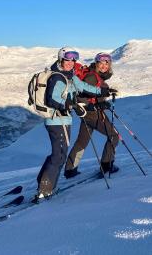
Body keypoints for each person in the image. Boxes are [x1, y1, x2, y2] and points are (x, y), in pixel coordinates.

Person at [35, 47, 113, 200]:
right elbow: (53, 99)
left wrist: (102, 92)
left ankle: (44, 182)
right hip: (57, 120)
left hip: (63, 119)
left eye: (73, 59)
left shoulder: (69, 75)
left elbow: (83, 87)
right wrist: (73, 105)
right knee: (59, 155)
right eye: (67, 59)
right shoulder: (58, 77)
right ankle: (45, 190)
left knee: (59, 154)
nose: (71, 62)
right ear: (60, 59)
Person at [64, 52, 119, 179]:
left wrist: (102, 103)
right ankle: (107, 165)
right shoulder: (92, 76)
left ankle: (70, 169)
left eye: (107, 63)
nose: (104, 65)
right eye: (101, 63)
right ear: (96, 63)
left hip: (88, 113)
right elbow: (83, 93)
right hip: (91, 113)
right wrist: (96, 105)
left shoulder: (96, 75)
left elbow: (93, 95)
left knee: (82, 141)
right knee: (114, 136)